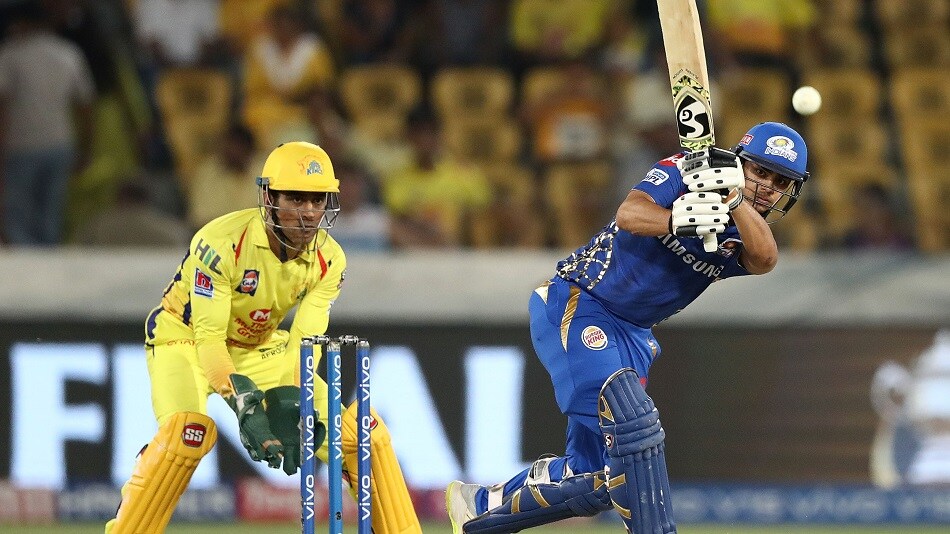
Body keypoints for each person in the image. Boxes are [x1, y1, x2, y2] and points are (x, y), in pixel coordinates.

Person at [446, 122, 810, 534]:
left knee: (596, 478)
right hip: (581, 302)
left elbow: (765, 259)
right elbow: (630, 214)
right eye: (760, 172)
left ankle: (479, 509)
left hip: (634, 337)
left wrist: (735, 200)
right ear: (739, 162)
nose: (768, 187)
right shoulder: (686, 169)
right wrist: (677, 218)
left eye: (781, 182)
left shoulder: (744, 229)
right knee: (634, 429)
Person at [106, 142, 421, 534]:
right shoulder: (221, 243)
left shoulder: (329, 259)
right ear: (269, 198)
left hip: (257, 346)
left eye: (317, 200)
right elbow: (209, 338)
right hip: (184, 339)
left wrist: (291, 397)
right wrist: (246, 406)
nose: (309, 213)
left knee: (363, 437)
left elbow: (304, 341)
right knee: (187, 433)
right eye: (296, 199)